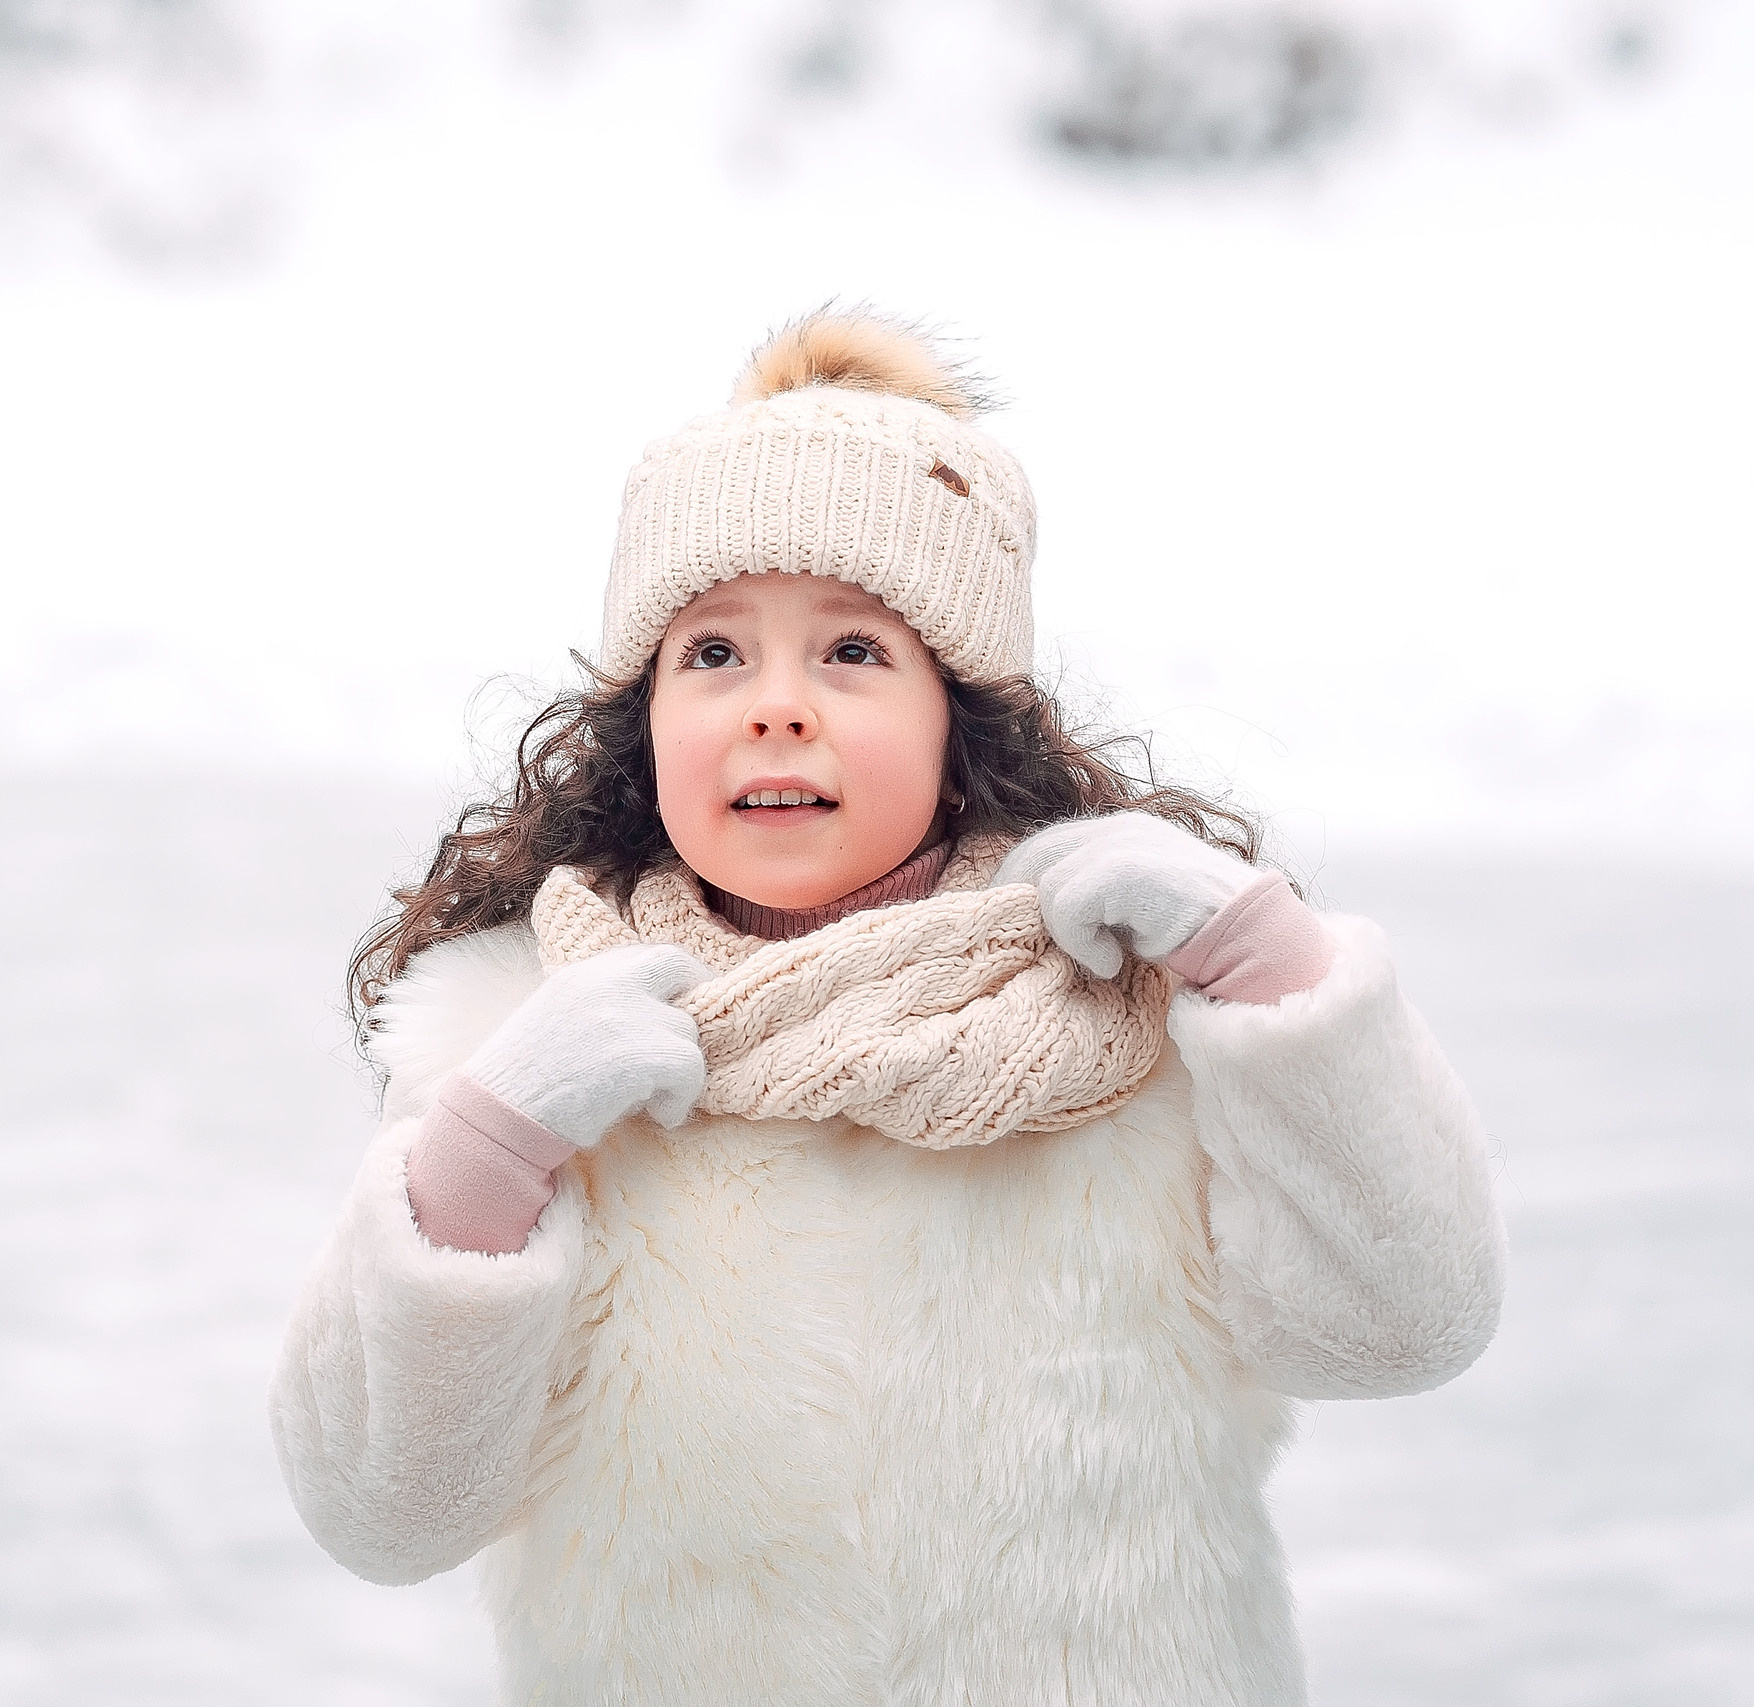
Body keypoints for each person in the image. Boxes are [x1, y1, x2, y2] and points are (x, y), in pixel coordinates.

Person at [267, 310, 1504, 1705]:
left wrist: (1270, 974)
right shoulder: (520, 1046)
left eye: (853, 652)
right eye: (713, 654)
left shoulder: (1126, 1018)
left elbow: (1407, 1328)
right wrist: (486, 1157)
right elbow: (380, 1514)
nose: (774, 707)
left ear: (956, 719)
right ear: (646, 719)